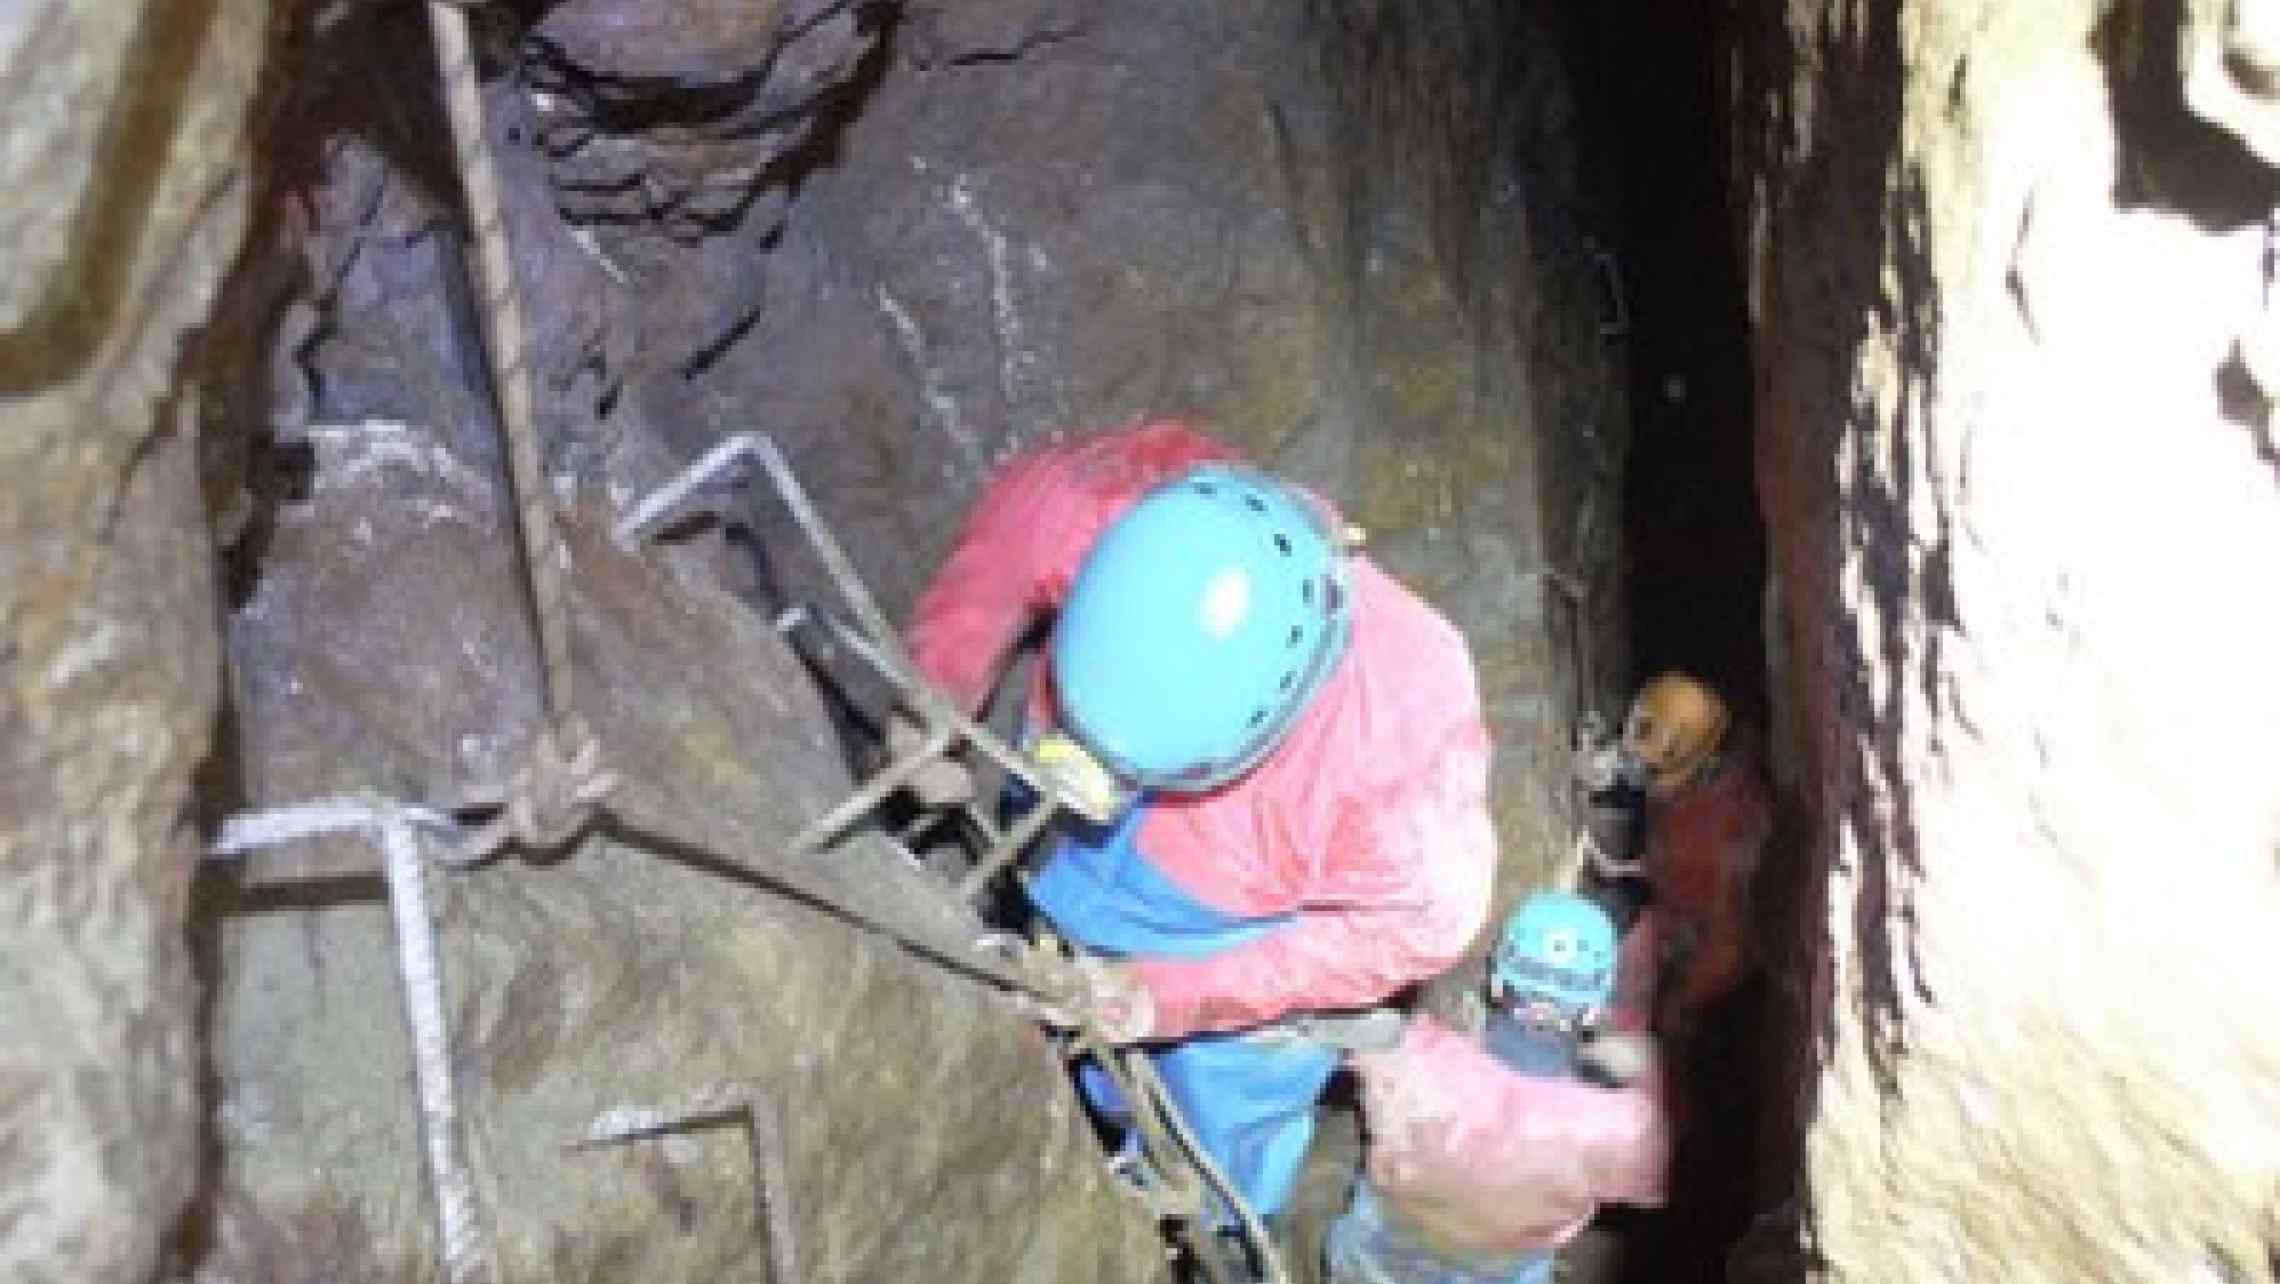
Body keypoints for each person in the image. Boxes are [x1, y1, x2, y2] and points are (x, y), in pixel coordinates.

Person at [900, 419, 1497, 1226]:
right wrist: (934, 693)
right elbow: (1013, 532)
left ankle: (1211, 1227)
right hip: (1057, 820)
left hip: (1219, 933)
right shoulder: (1121, 507)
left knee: (1218, 1126)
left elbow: (1407, 931)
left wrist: (1177, 996)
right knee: (1046, 915)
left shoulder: (1399, 747)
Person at [1326, 891, 1668, 1284]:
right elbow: (1661, 1185)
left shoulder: (1410, 1053)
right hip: (1499, 1267)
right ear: (1594, 1009)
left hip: (1384, 1247)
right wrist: (1649, 1071)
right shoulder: (1619, 1128)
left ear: (1496, 982)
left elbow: (1340, 1033)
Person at [1615, 671, 1771, 1032]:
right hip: (1681, 925)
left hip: (1710, 977)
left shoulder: (1716, 837)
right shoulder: (1710, 775)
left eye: (1652, 769)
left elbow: (1727, 945)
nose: (1640, 773)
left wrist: (1679, 1006)